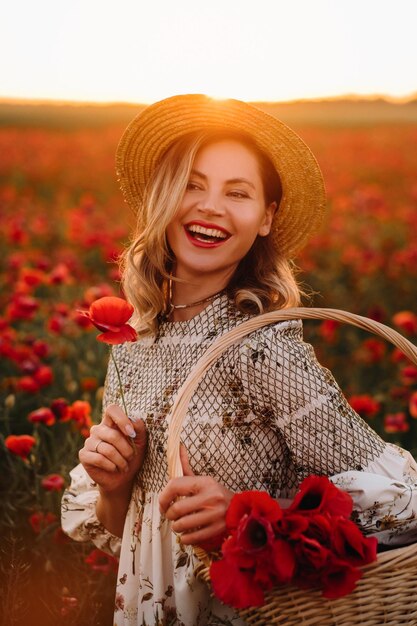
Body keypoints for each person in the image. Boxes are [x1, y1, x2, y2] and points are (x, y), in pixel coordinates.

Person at [61, 94, 417, 626]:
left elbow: (401, 503)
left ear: (266, 217)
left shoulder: (260, 347)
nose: (210, 206)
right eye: (192, 184)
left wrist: (243, 515)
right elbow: (125, 525)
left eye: (238, 193)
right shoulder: (134, 340)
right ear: (163, 198)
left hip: (245, 608)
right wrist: (115, 482)